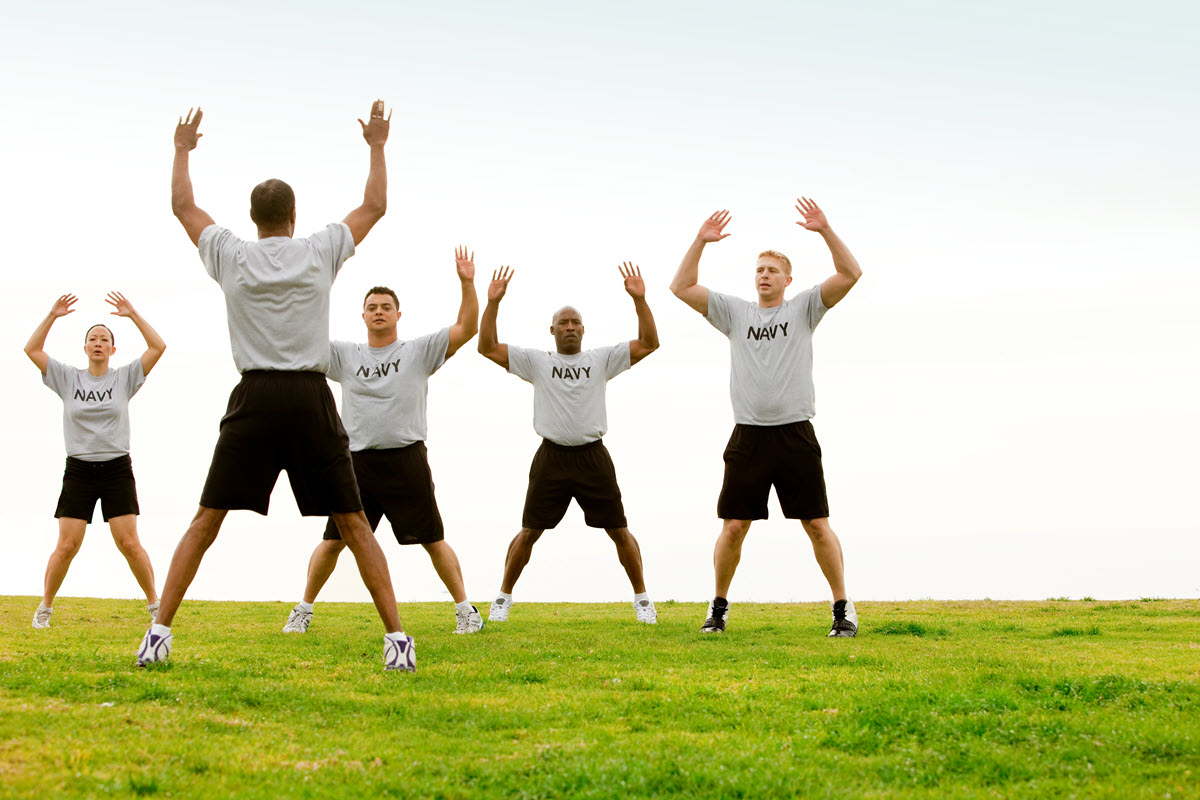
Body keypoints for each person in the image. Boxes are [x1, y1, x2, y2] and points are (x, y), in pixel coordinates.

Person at [139, 100, 417, 672]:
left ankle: (159, 634)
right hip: (311, 399)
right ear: (292, 217)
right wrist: (377, 145)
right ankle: (397, 642)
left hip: (256, 398)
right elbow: (375, 206)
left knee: (205, 520)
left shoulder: (230, 253)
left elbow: (182, 206)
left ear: (254, 217)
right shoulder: (318, 250)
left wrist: (181, 150)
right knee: (354, 522)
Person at [669, 198, 863, 637]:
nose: (764, 275)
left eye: (772, 270)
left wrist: (826, 230)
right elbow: (681, 287)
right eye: (759, 269)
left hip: (795, 433)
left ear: (787, 279)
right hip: (749, 436)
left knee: (816, 524)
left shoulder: (804, 308)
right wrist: (700, 240)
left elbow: (851, 275)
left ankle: (842, 609)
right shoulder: (737, 312)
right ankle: (717, 610)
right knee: (734, 526)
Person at [283, 247, 483, 635]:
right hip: (356, 464)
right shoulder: (344, 355)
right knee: (333, 542)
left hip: (406, 460)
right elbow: (298, 341)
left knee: (432, 540)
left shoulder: (418, 351)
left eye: (386, 306)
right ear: (363, 315)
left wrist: (467, 283)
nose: (378, 311)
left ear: (397, 314)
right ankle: (303, 611)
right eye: (372, 306)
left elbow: (467, 328)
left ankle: (466, 611)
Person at [477, 263, 660, 623]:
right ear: (553, 330)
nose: (571, 327)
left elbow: (649, 343)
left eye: (576, 322)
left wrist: (640, 299)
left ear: (583, 330)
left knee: (619, 529)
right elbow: (487, 347)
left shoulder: (601, 359)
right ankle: (502, 600)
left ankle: (642, 601)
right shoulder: (537, 361)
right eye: (564, 323)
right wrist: (493, 303)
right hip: (551, 457)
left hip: (593, 456)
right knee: (529, 531)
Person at [25, 292, 166, 628]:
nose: (98, 343)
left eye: (104, 339)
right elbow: (32, 350)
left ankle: (155, 606)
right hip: (79, 470)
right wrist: (52, 315)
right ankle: (45, 609)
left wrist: (133, 314)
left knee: (129, 542)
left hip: (117, 468)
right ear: (85, 348)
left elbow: (157, 347)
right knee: (67, 544)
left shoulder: (124, 377)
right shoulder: (68, 378)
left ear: (113, 349)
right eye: (93, 339)